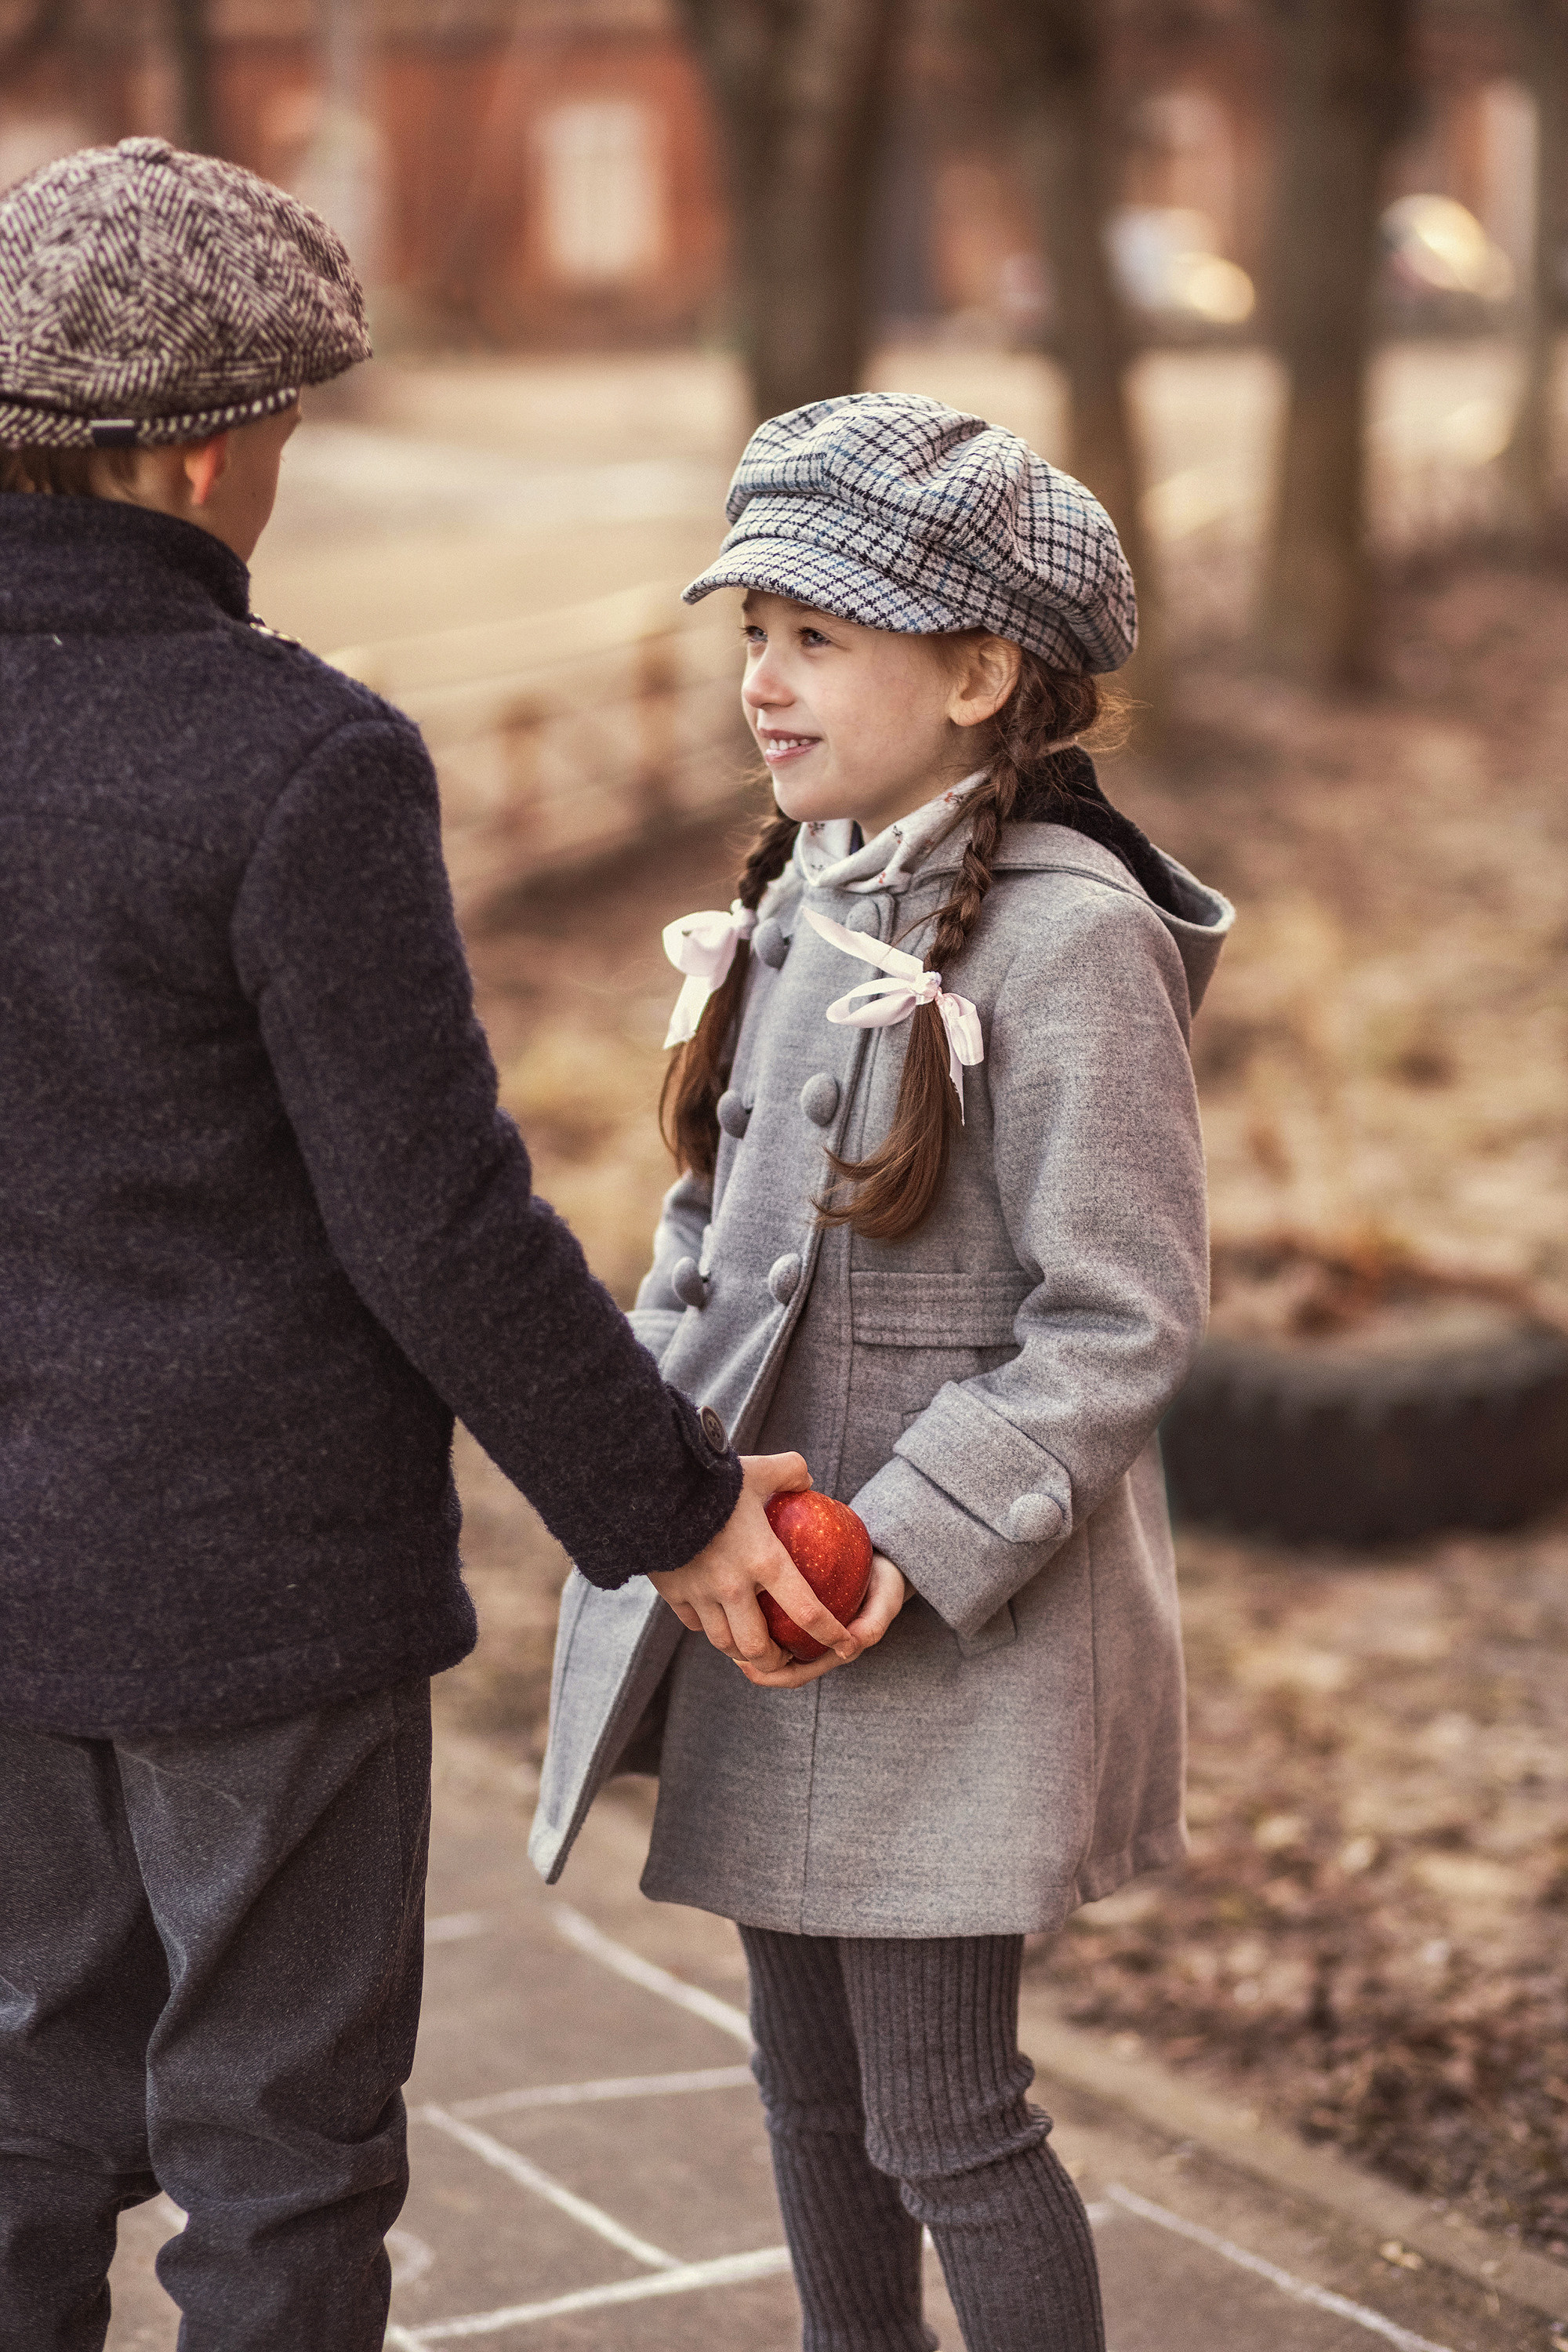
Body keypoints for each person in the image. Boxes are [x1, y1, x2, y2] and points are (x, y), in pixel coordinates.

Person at [0, 138, 848, 2352]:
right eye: (283, 429)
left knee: (11, 2128)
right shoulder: (297, 761)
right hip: (244, 1583)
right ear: (199, 451)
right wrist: (667, 1509)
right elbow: (430, 1212)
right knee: (275, 2162)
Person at [532, 391, 1235, 2351]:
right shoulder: (800, 887)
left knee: (946, 2119)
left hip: (936, 1634)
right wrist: (665, 1490)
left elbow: (1121, 1314)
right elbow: (706, 1228)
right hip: (764, 1597)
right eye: (753, 630)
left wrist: (905, 1538)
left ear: (978, 669)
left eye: (816, 638)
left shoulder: (1064, 938)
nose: (763, 681)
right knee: (806, 2092)